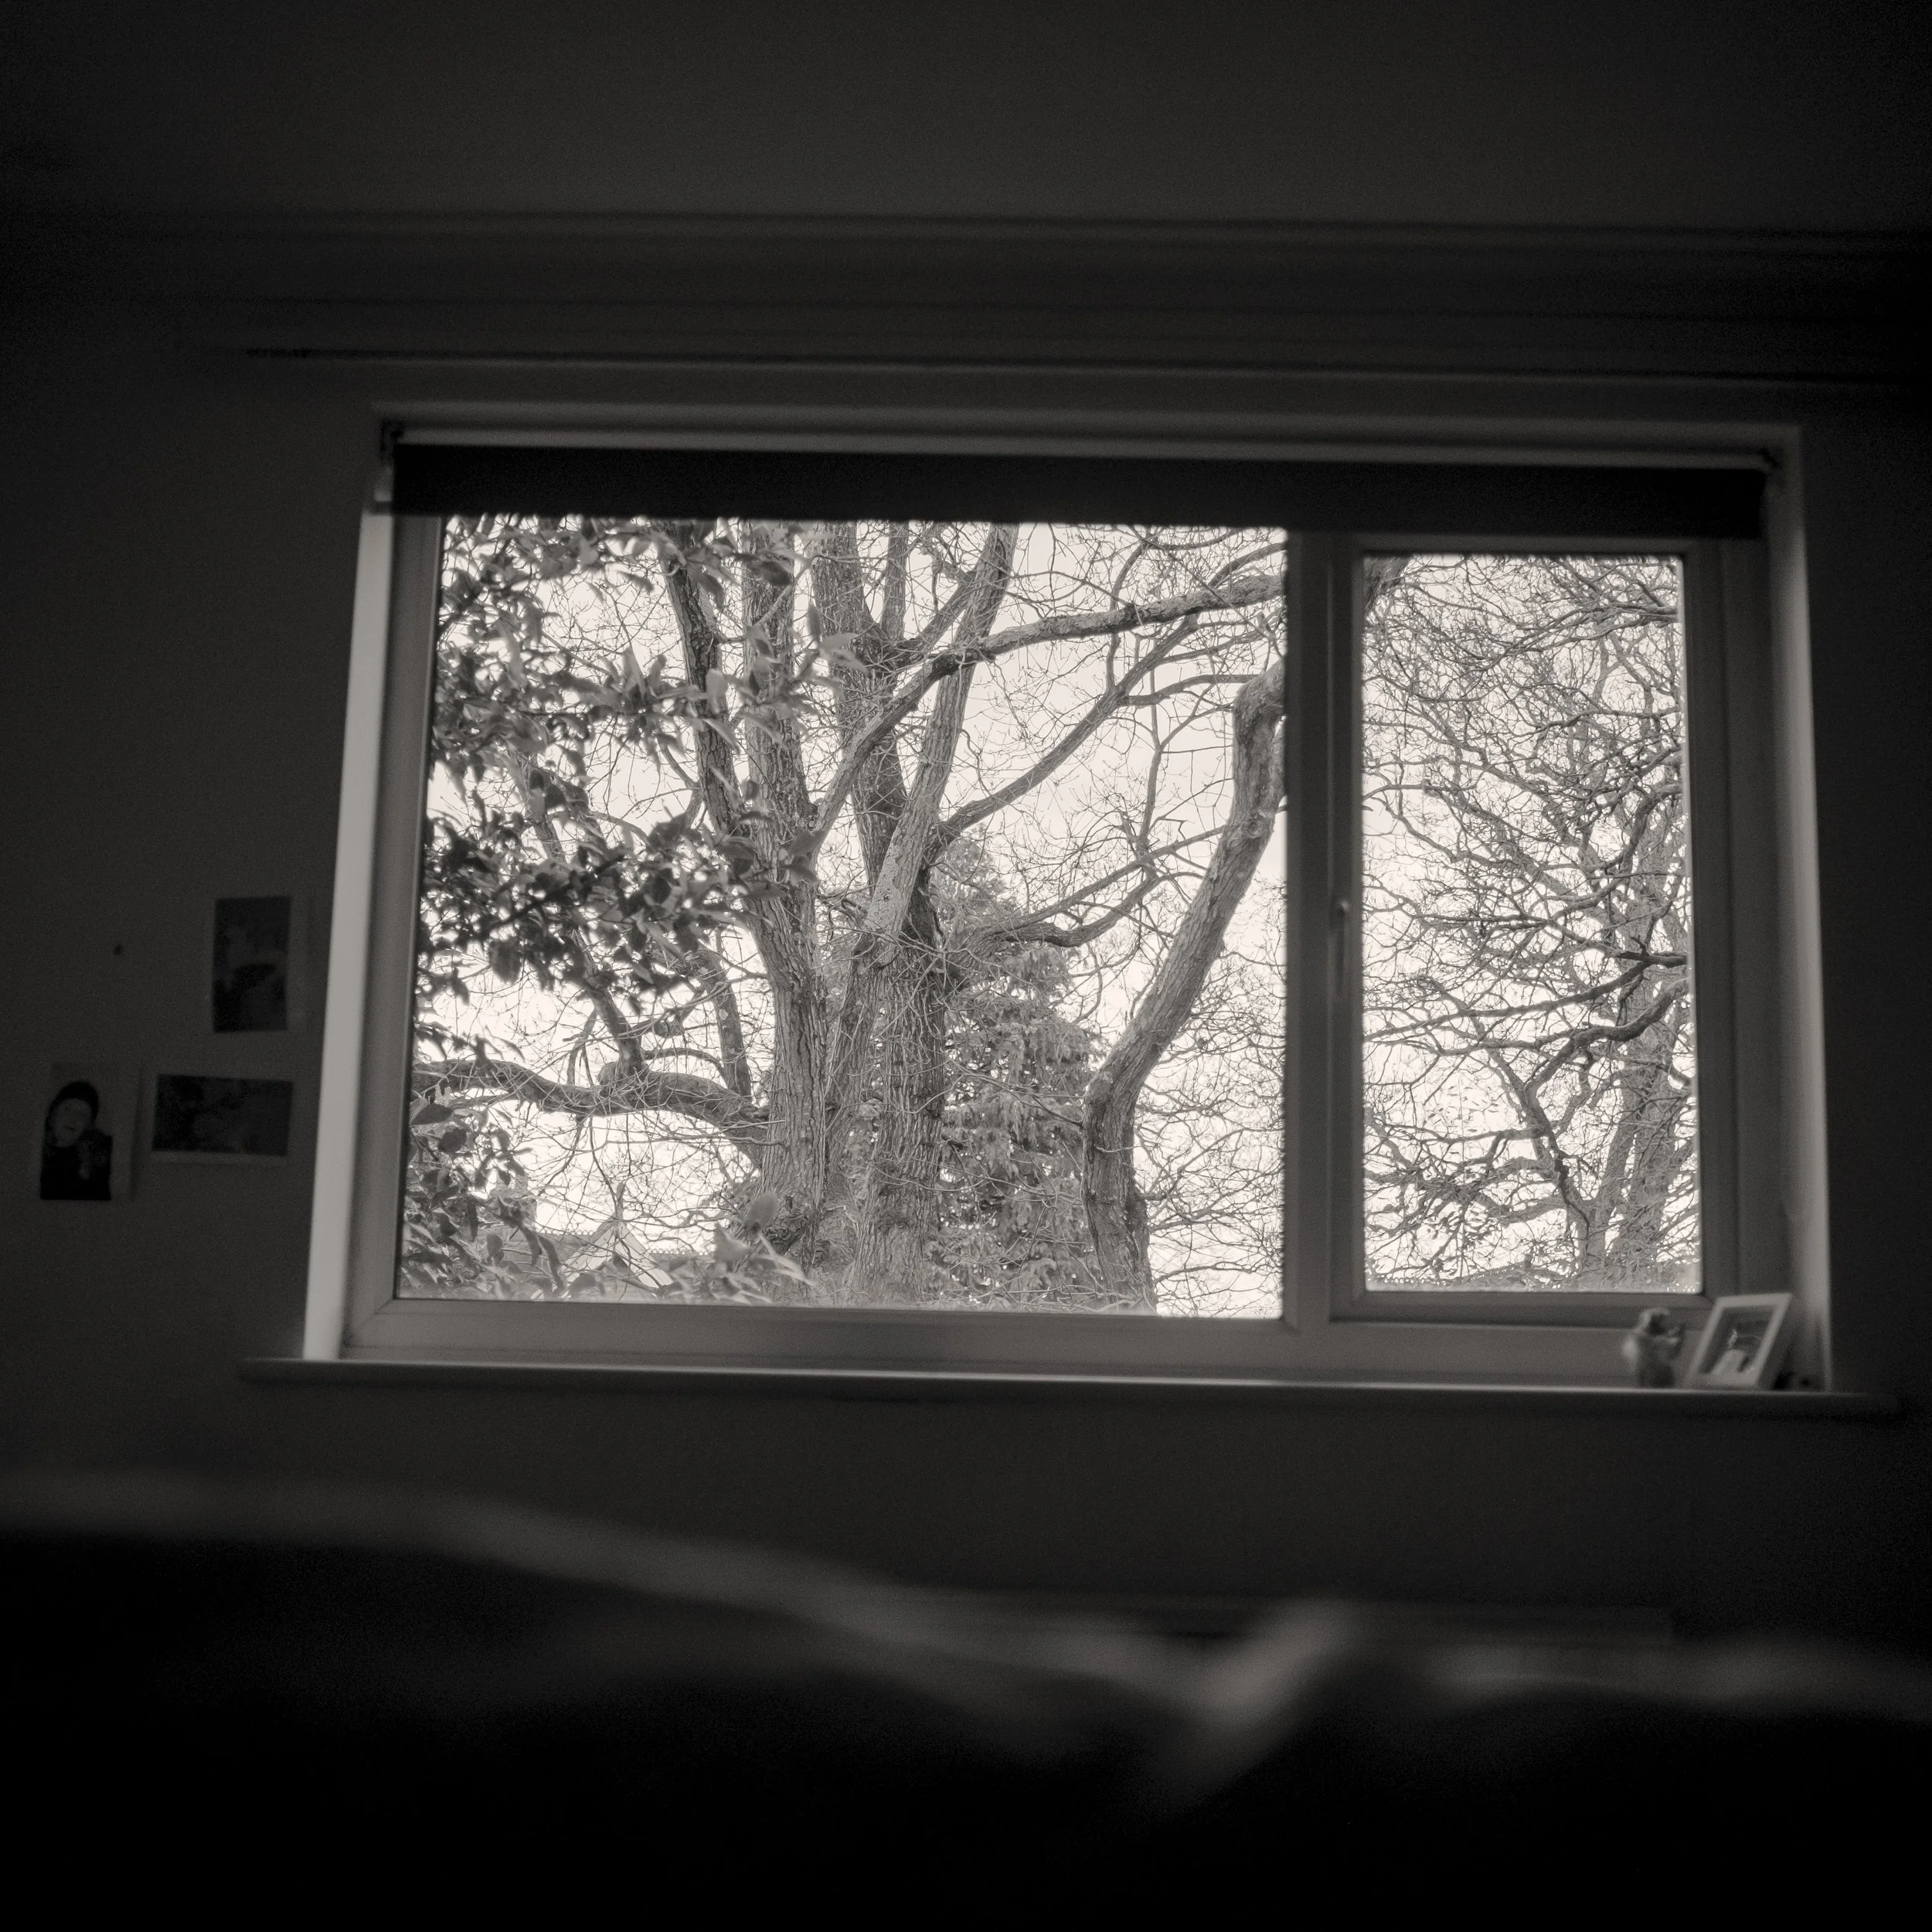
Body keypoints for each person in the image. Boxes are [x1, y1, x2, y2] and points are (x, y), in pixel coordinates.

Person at [39, 1081, 113, 1200]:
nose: (73, 1118)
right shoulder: (35, 1153)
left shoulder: (96, 1161)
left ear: (89, 1125)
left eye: (83, 1114)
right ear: (53, 1114)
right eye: (67, 1109)